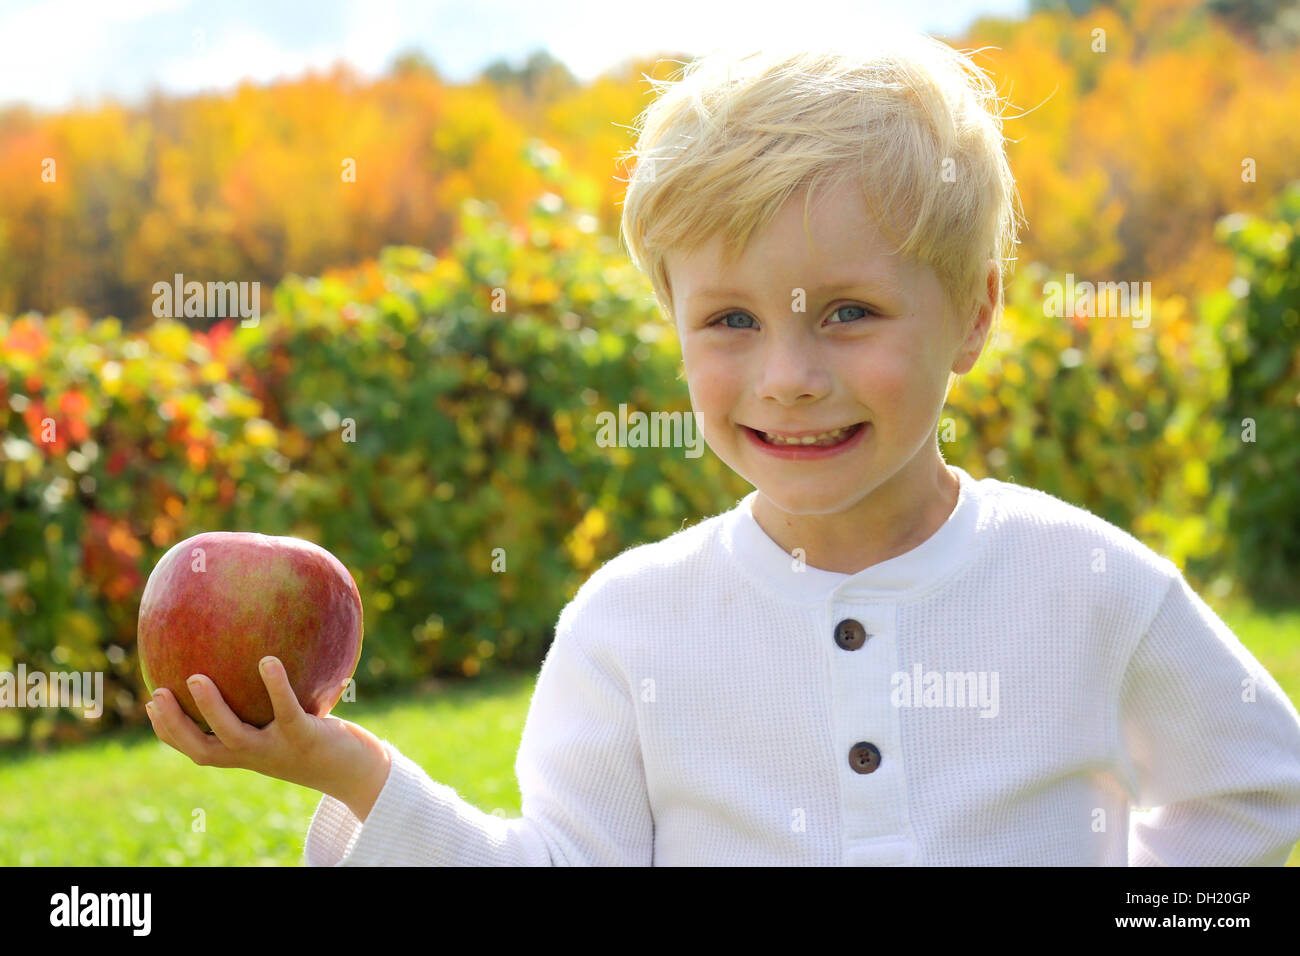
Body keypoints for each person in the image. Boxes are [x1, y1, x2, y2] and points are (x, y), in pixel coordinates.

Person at [145, 35, 1300, 865]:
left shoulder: (1089, 583)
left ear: (977, 313)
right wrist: (351, 774)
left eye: (847, 310)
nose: (788, 372)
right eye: (730, 321)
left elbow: (1255, 784)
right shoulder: (631, 622)